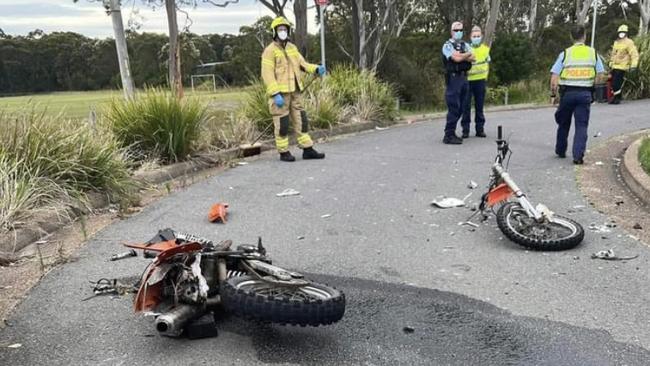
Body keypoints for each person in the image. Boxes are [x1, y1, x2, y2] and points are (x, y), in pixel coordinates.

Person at [261, 16, 327, 162]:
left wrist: (316, 69)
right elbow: (267, 74)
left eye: (285, 29)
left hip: (295, 92)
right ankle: (284, 152)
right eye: (280, 29)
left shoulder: (292, 48)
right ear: (274, 32)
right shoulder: (269, 51)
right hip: (280, 96)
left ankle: (307, 149)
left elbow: (303, 64)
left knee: (301, 121)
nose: (283, 31)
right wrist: (275, 93)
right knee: (282, 124)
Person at [550, 25, 605, 165]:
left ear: (571, 37)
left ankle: (561, 150)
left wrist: (553, 94)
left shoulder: (565, 53)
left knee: (563, 122)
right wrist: (594, 87)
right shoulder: (593, 53)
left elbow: (554, 76)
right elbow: (600, 74)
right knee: (581, 125)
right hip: (585, 93)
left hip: (567, 93)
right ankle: (578, 156)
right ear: (585, 36)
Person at [441, 21, 475, 145]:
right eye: (456, 30)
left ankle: (452, 132)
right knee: (454, 107)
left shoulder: (464, 44)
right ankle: (448, 134)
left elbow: (473, 57)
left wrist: (462, 55)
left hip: (464, 78)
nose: (458, 32)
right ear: (451, 31)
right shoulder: (447, 45)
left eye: (460, 30)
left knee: (462, 107)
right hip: (453, 79)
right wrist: (464, 55)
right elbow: (455, 58)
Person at [461, 25, 490, 138]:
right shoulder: (467, 48)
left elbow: (487, 64)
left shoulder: (485, 49)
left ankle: (480, 129)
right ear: (470, 37)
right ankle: (465, 130)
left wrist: (486, 77)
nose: (476, 37)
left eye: (478, 36)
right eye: (474, 36)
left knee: (479, 106)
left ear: (481, 36)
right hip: (468, 80)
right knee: (466, 106)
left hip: (480, 81)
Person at [608, 24, 639, 105]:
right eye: (620, 32)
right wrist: (611, 63)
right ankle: (616, 97)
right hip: (615, 66)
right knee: (613, 83)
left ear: (626, 33)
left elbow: (634, 54)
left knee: (616, 83)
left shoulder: (629, 43)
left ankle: (617, 98)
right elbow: (613, 54)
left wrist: (633, 65)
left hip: (622, 66)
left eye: (623, 32)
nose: (621, 34)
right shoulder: (616, 43)